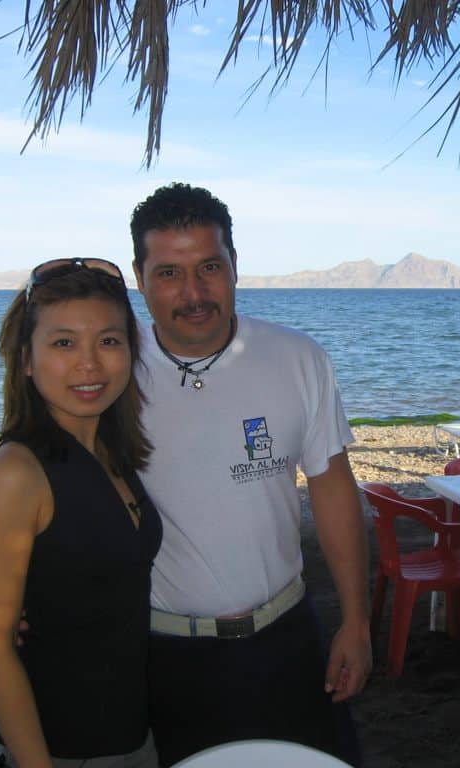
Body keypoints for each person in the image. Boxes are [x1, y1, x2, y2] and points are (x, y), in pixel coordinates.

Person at [130, 183, 371, 766]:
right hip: (160, 650)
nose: (193, 293)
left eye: (209, 267)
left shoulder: (298, 358)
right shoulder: (113, 371)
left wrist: (356, 621)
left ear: (235, 265)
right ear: (140, 278)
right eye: (169, 273)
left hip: (287, 636)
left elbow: (333, 488)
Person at [0, 259, 162, 768]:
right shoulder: (18, 472)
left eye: (109, 341)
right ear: (26, 360)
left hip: (131, 736)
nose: (89, 364)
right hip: (58, 749)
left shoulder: (111, 453)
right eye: (64, 343)